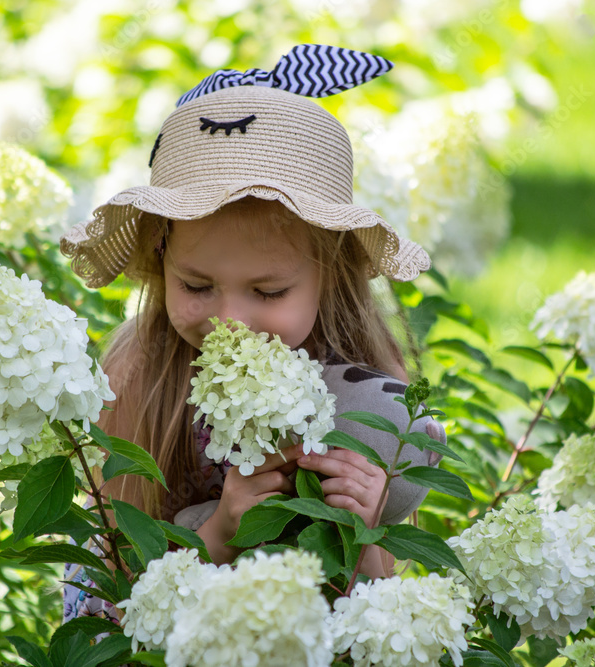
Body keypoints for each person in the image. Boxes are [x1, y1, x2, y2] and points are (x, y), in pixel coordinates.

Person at [59, 44, 444, 623]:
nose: (230, 320)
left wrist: (358, 536)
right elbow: (104, 596)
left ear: (329, 272)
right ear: (161, 255)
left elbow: (371, 621)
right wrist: (220, 534)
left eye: (268, 292)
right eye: (196, 285)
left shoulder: (365, 394)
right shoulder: (137, 378)